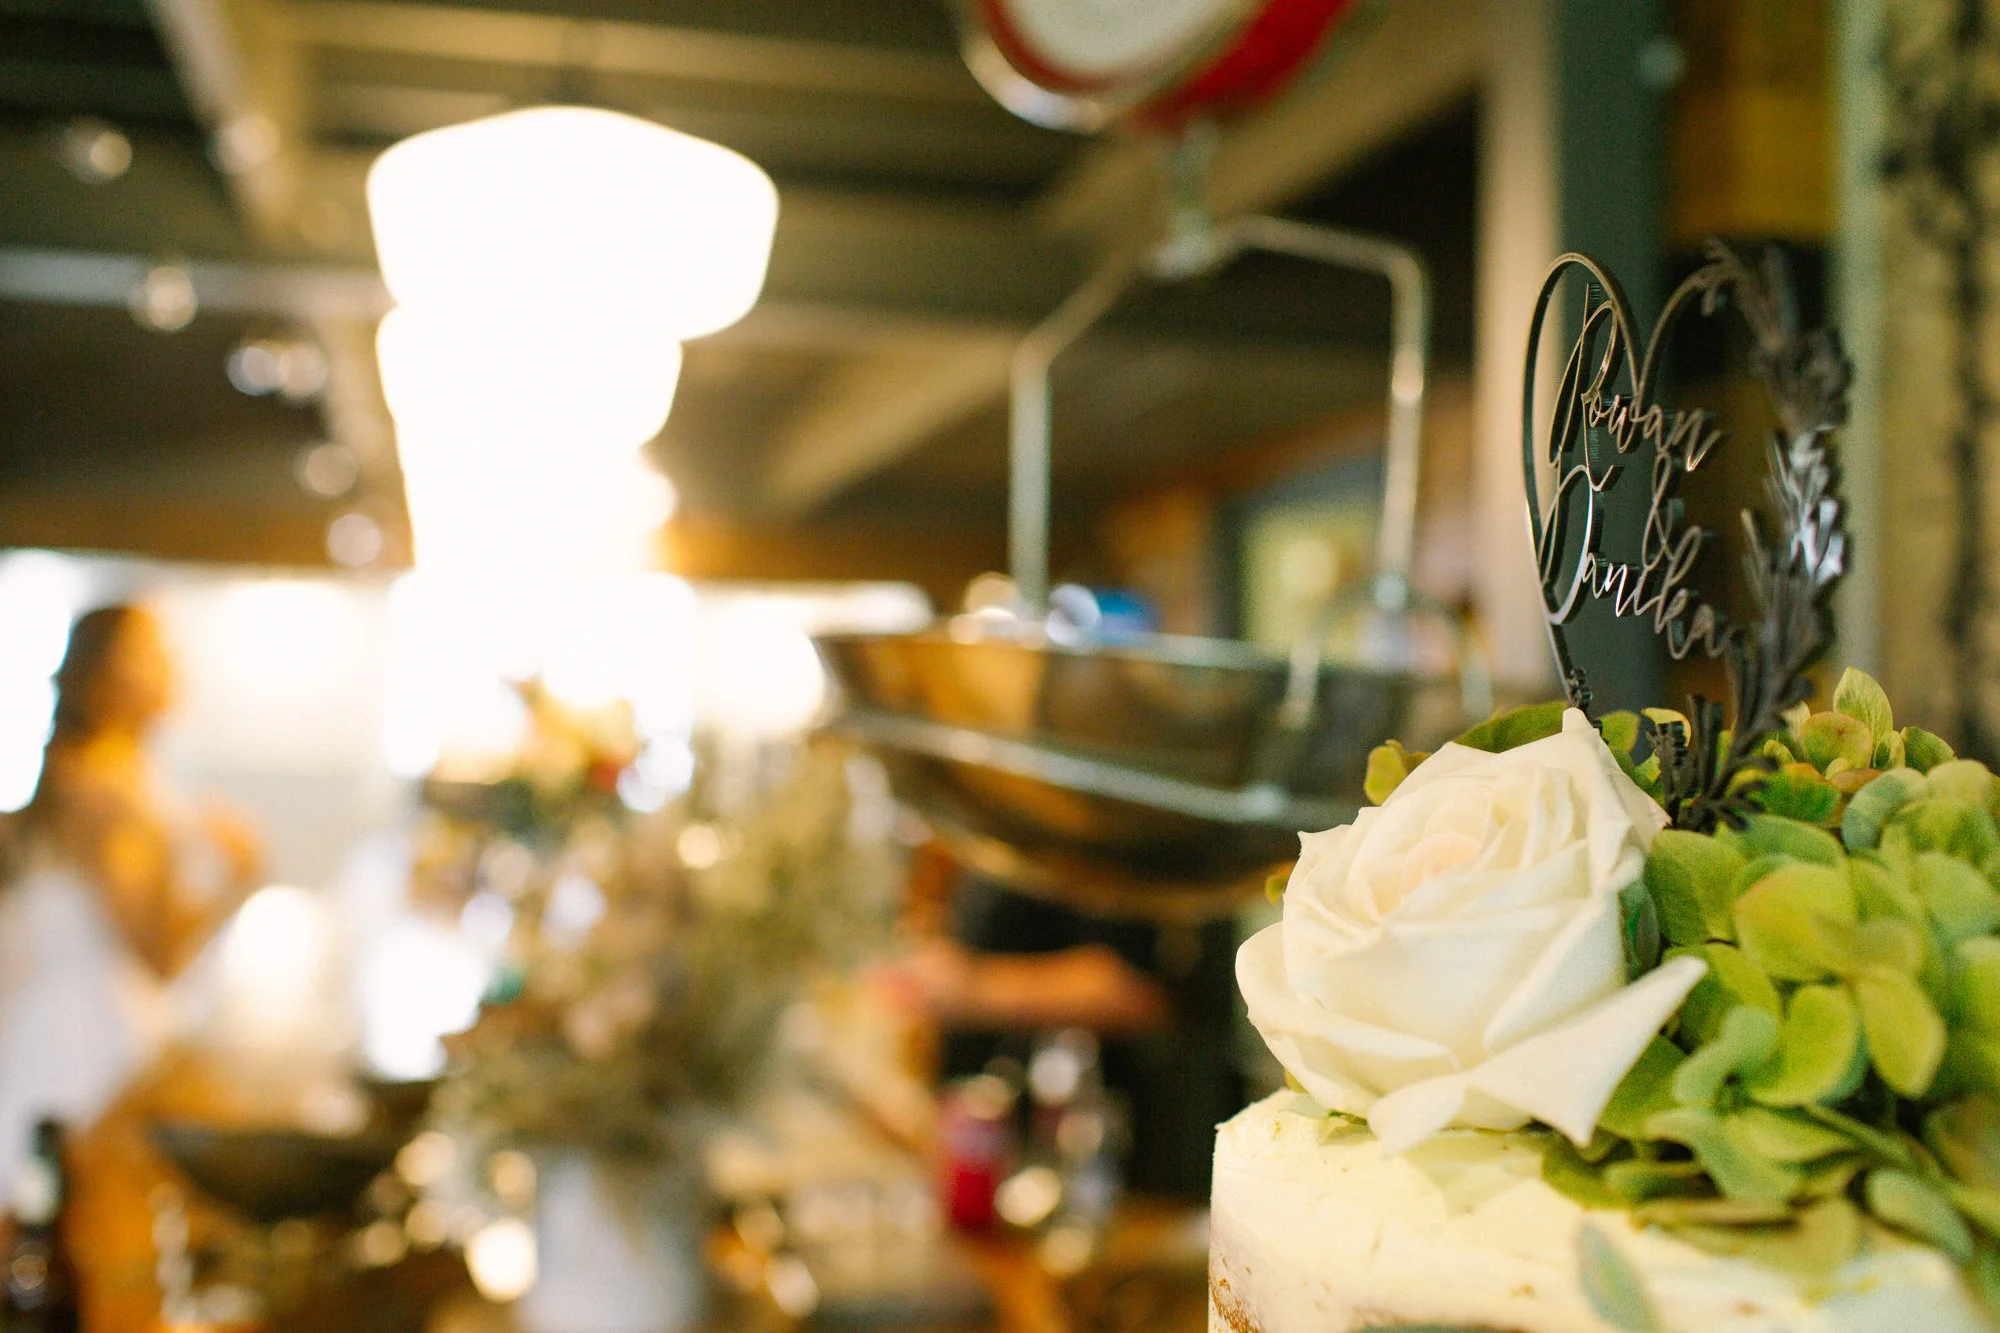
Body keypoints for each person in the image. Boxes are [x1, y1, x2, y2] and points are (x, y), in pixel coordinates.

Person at [0, 604, 261, 1189]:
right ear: (114, 672)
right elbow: (159, 955)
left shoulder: (96, 778)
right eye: (157, 649)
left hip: (62, 1039)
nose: (177, 665)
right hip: (79, 1056)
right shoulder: (107, 794)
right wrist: (240, 880)